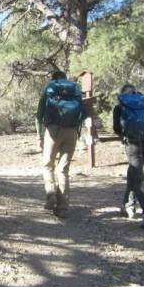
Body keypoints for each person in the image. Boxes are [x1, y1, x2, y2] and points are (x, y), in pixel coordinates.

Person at [35, 70, 85, 218]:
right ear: (65, 78)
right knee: (63, 169)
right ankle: (62, 207)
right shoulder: (75, 88)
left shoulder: (50, 88)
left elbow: (39, 114)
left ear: (53, 79)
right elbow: (82, 112)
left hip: (53, 131)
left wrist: (39, 136)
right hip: (71, 132)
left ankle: (51, 195)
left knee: (48, 165)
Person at [113, 83, 144, 228]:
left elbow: (116, 128)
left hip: (133, 144)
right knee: (134, 173)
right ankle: (128, 206)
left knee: (138, 179)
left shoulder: (120, 107)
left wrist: (124, 136)